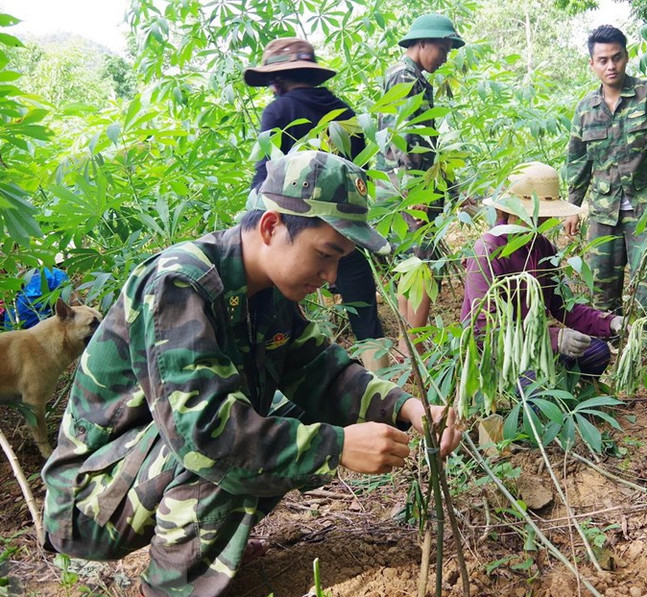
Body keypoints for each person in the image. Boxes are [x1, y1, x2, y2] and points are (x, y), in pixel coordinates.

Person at [40, 151, 460, 597]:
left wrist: (409, 408)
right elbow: (206, 436)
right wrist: (339, 447)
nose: (330, 278)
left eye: (341, 261)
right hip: (91, 501)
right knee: (226, 437)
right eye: (325, 255)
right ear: (271, 226)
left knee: (290, 417)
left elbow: (322, 373)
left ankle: (212, 544)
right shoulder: (181, 284)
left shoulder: (271, 291)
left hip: (142, 471)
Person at [244, 37, 389, 371]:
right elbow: (361, 173)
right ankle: (385, 390)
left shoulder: (278, 110)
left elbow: (265, 176)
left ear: (277, 82)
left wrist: (250, 227)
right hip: (344, 229)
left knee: (283, 317)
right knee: (365, 313)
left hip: (292, 231)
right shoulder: (345, 111)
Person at [565, 24, 647, 316]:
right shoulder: (585, 109)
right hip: (603, 210)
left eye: (616, 57)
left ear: (626, 56)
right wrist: (571, 206)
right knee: (601, 286)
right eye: (603, 60)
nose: (611, 66)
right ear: (592, 64)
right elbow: (578, 162)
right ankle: (608, 348)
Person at [462, 162, 623, 377]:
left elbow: (563, 305)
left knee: (597, 352)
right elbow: (484, 329)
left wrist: (609, 322)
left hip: (537, 343)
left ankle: (563, 386)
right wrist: (555, 338)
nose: (544, 219)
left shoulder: (541, 246)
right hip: (499, 351)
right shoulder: (487, 251)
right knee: (534, 389)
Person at [378, 13, 464, 357]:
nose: (444, 57)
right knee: (424, 268)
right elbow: (404, 137)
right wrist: (415, 192)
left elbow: (426, 143)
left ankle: (408, 342)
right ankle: (413, 342)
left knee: (411, 265)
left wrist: (453, 189)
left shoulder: (410, 76)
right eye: (441, 49)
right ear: (423, 43)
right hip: (412, 190)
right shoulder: (405, 77)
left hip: (411, 187)